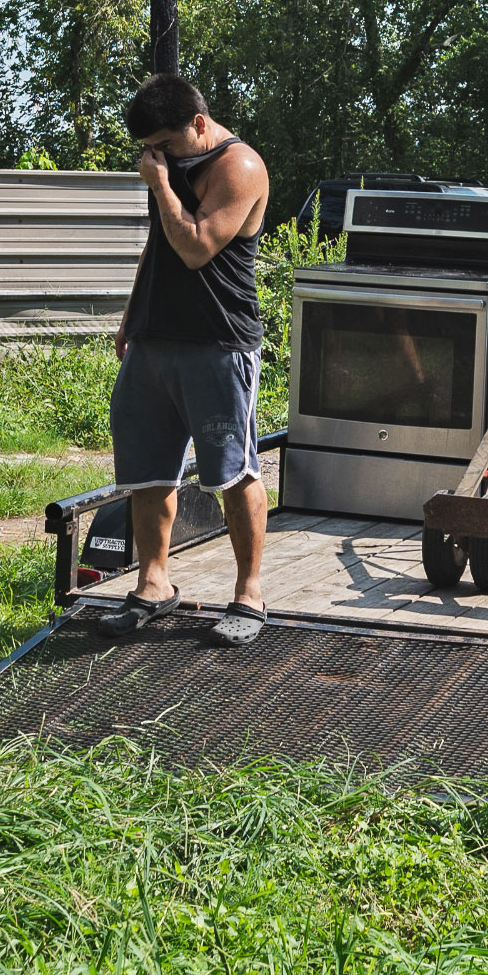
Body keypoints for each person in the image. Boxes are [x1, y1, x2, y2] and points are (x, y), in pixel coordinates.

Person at [105, 74, 272, 644]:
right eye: (149, 150)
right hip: (156, 341)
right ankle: (154, 584)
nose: (158, 158)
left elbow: (197, 246)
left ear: (199, 124)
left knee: (233, 470)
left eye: (167, 146)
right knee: (148, 469)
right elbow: (160, 244)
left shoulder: (239, 167)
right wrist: (133, 316)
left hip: (217, 344)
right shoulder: (170, 166)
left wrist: (159, 185)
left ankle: (248, 595)